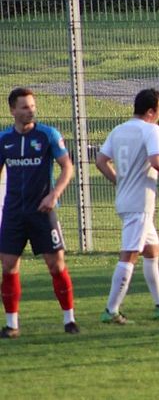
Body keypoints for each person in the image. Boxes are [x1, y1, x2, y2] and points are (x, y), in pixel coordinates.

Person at [95, 89, 159, 324]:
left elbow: (100, 161)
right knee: (129, 255)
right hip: (139, 203)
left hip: (126, 199)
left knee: (152, 251)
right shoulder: (151, 129)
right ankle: (111, 310)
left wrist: (120, 181)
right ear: (151, 111)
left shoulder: (119, 129)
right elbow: (156, 161)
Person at [0, 88, 79, 337]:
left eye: (32, 106)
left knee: (56, 265)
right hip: (13, 213)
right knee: (8, 266)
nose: (30, 110)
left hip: (43, 212)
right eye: (25, 107)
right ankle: (11, 325)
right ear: (12, 110)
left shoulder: (47, 135)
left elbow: (67, 167)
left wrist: (54, 195)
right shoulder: (4, 139)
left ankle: (69, 320)